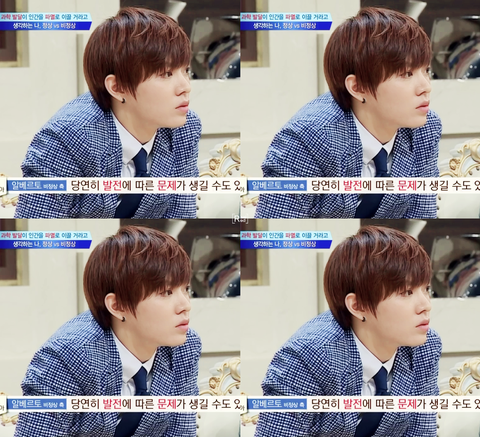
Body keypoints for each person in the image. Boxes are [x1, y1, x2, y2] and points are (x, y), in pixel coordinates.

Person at [255, 7, 441, 219]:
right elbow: (280, 221)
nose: (426, 87)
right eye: (406, 73)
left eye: (426, 70)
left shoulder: (425, 128)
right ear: (358, 87)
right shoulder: (307, 138)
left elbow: (422, 215)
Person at [15, 7, 201, 219]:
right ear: (117, 87)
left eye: (186, 70)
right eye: (166, 73)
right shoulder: (67, 138)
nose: (186, 87)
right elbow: (41, 222)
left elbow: (181, 214)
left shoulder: (185, 128)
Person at [255, 226, 442, 437]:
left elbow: (421, 433)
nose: (426, 305)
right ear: (357, 306)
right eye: (406, 292)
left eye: (426, 289)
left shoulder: (425, 347)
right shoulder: (307, 357)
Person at [14, 226, 201, 437]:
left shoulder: (184, 347)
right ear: (117, 306)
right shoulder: (67, 357)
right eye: (166, 292)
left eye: (185, 289)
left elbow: (181, 433)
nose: (186, 305)